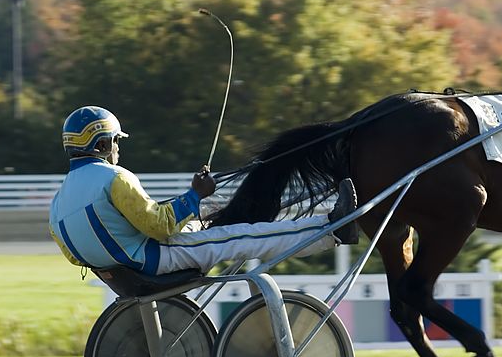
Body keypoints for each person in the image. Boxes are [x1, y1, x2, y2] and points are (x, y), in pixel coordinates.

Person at [49, 105, 359, 275]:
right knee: (241, 238)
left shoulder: (58, 202)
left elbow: (76, 256)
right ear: (102, 144)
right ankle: (331, 229)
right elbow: (160, 226)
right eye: (116, 141)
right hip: (153, 259)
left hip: (123, 271)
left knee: (210, 228)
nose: (118, 148)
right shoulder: (115, 178)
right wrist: (195, 195)